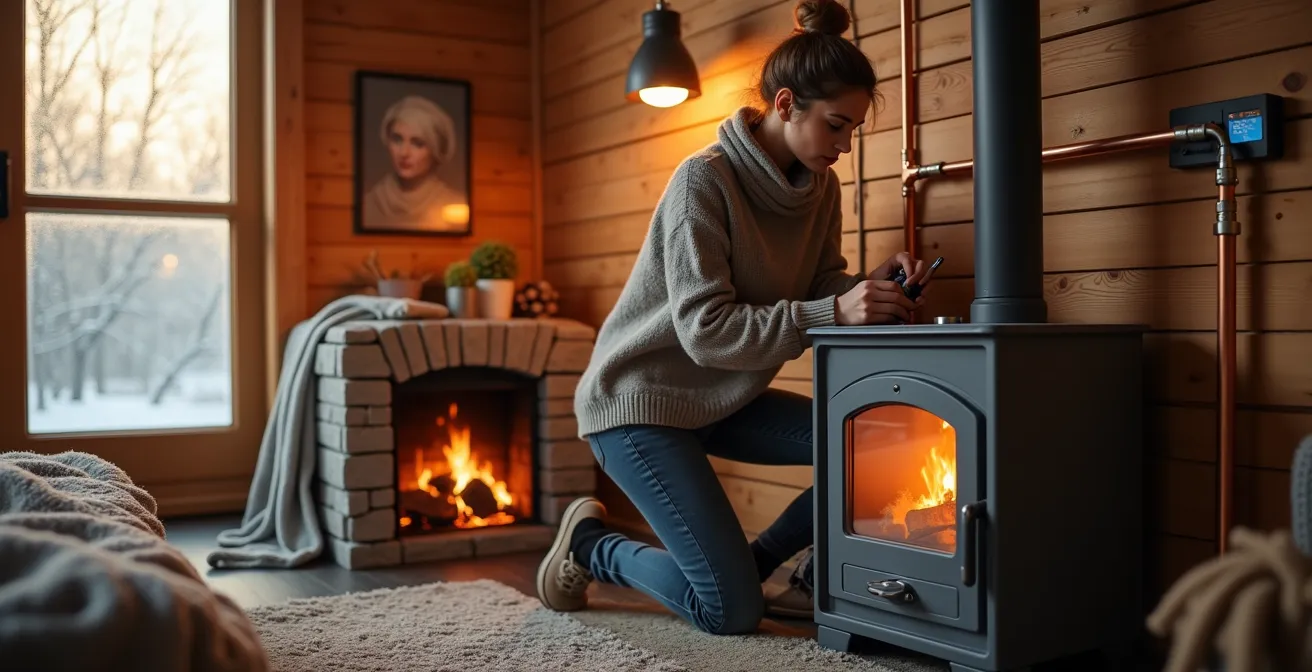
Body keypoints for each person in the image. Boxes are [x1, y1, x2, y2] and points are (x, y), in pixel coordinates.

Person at [535, 0, 937, 636]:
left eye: (853, 130)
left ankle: (749, 565)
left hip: (721, 401)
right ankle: (592, 545)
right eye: (836, 125)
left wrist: (869, 287)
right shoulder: (703, 181)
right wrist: (835, 310)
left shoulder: (819, 187)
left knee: (881, 447)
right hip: (641, 404)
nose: (844, 144)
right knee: (728, 611)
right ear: (784, 105)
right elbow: (706, 333)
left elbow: (819, 281)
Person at [361, 95, 470, 233]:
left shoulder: (455, 205)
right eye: (397, 139)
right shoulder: (369, 203)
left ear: (435, 151)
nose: (404, 153)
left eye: (417, 143)